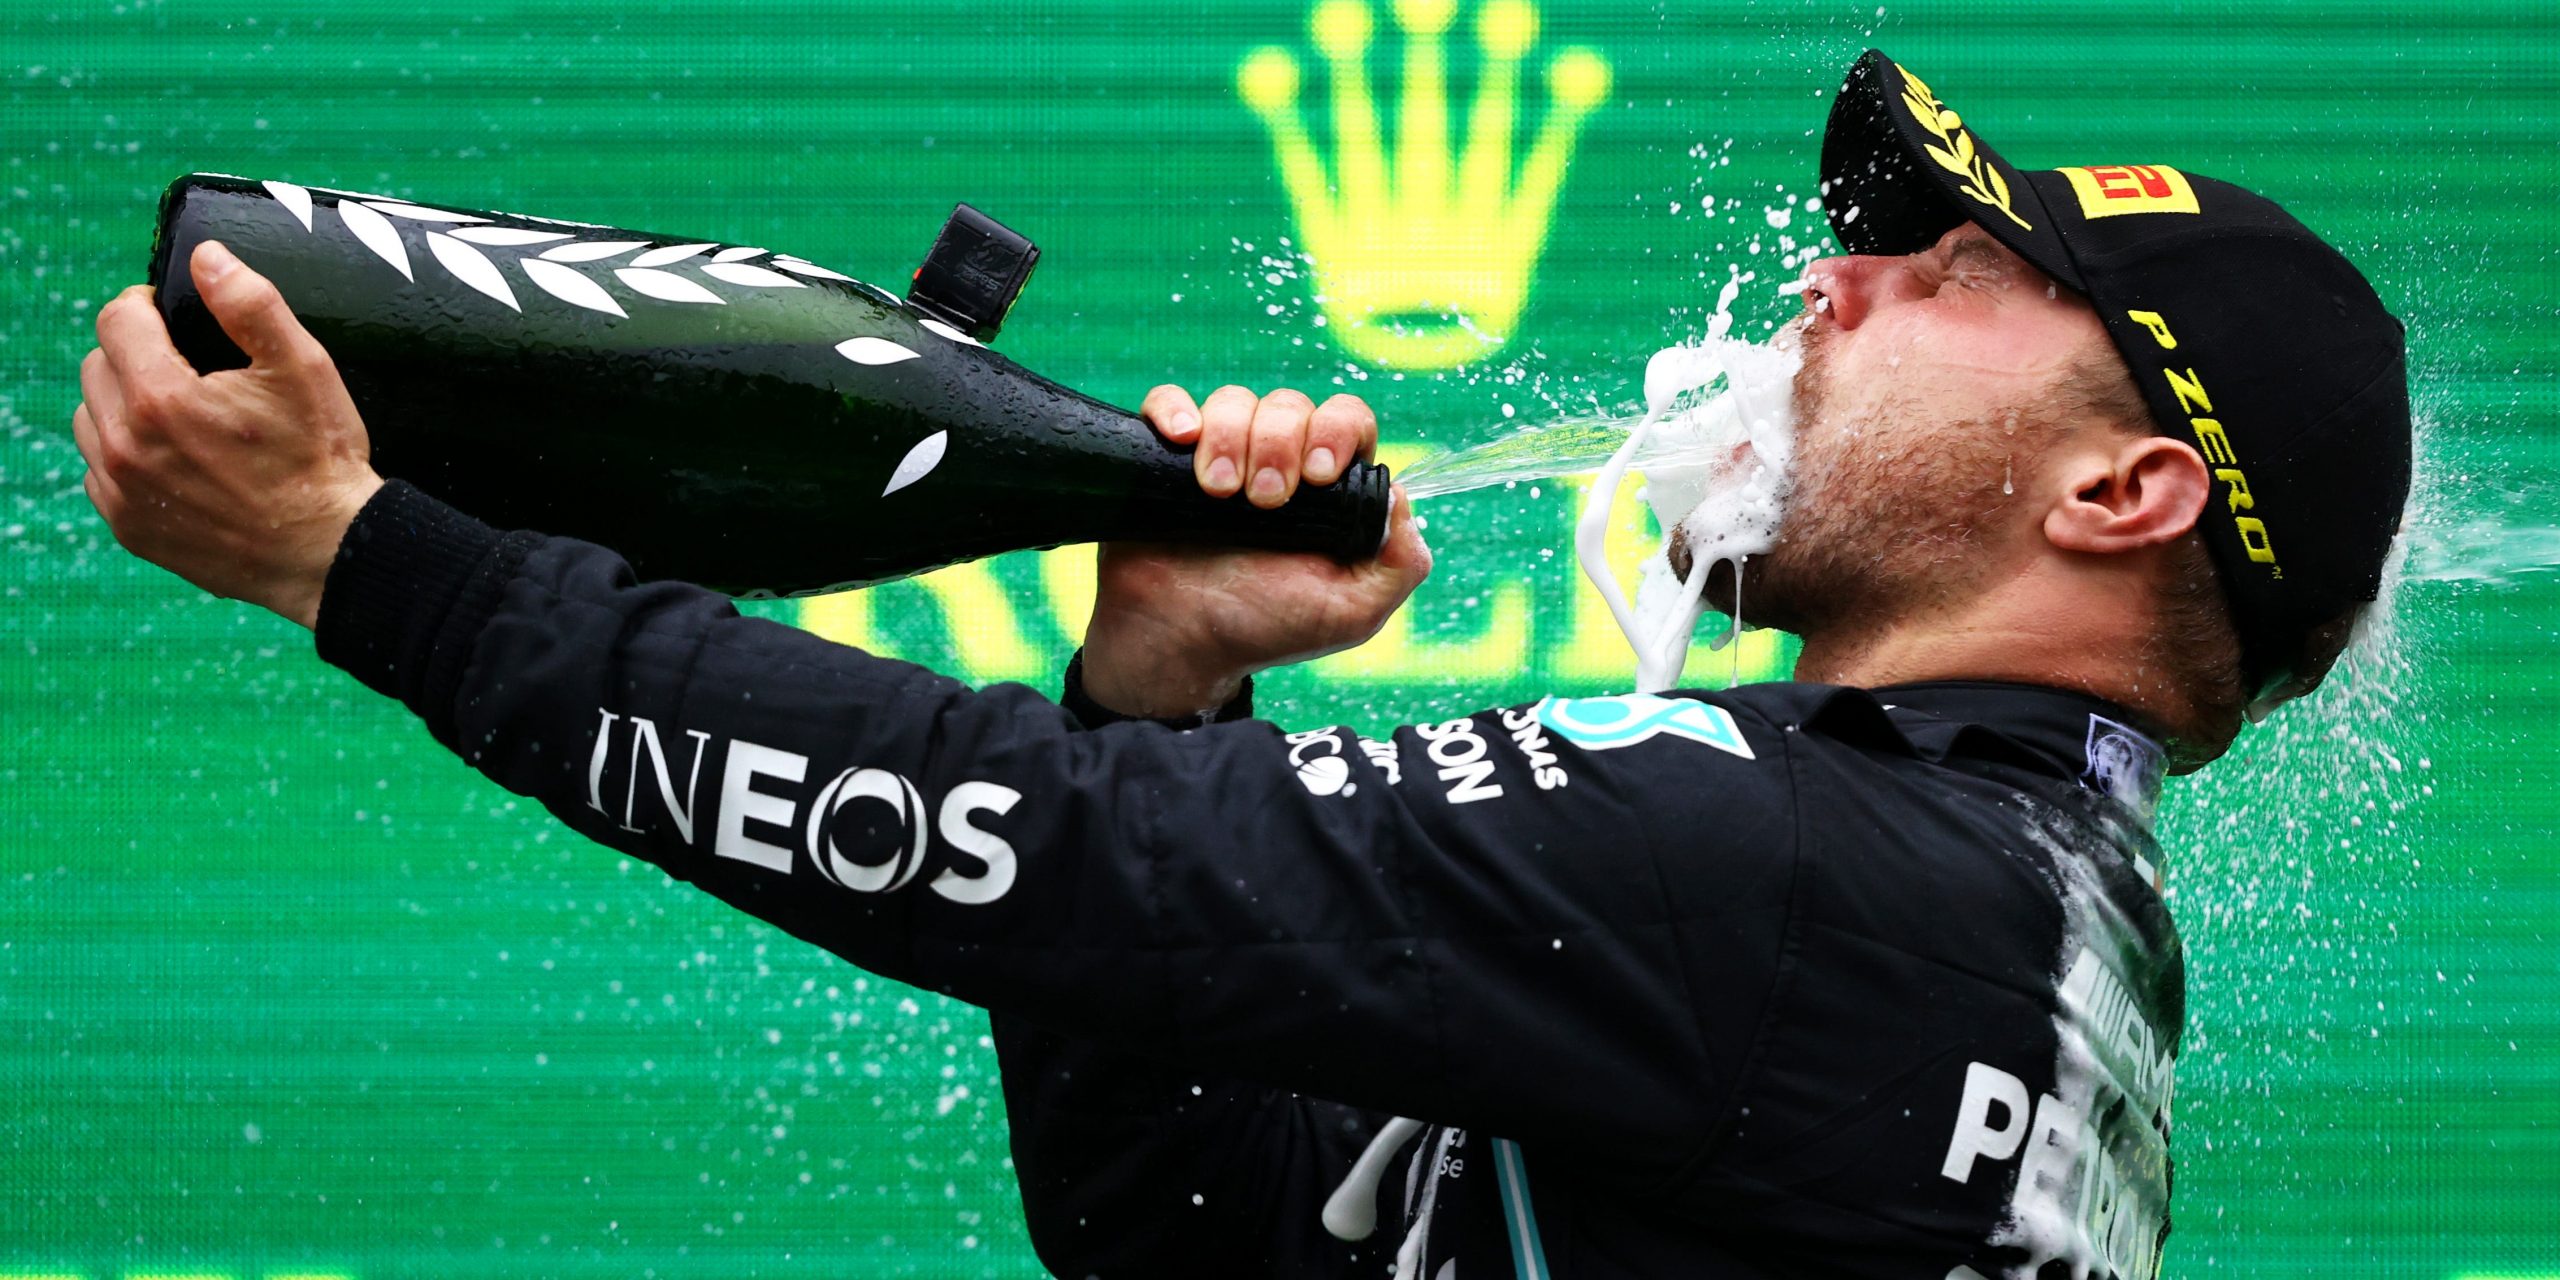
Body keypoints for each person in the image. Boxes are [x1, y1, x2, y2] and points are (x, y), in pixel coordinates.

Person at [70, 49, 2407, 1280]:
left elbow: (1035, 858)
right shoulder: (2002, 918)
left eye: (1947, 268)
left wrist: (368, 564)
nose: (1837, 276)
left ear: (2120, 494)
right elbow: (1201, 1246)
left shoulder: (1810, 875)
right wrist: (1164, 689)